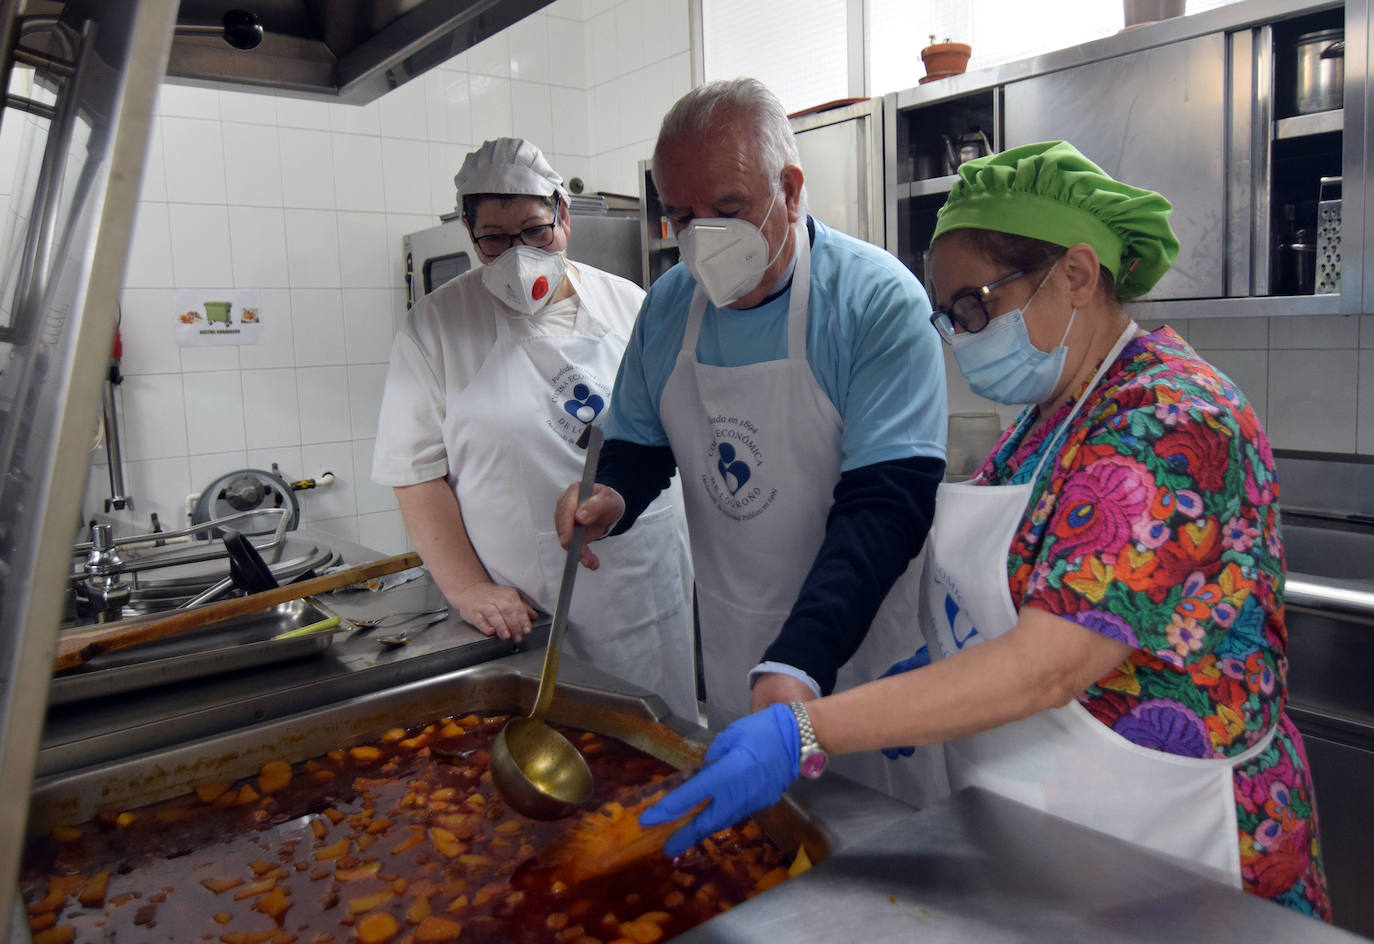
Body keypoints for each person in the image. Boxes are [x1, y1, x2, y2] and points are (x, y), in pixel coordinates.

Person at [639, 141, 1331, 921]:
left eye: (975, 306)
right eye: (951, 313)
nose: (961, 336)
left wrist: (806, 729)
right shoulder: (1047, 420)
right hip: (1062, 828)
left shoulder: (1170, 421)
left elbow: (1050, 666)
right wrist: (920, 668)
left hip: (1180, 840)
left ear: (1075, 274)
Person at [554, 79, 950, 806]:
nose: (702, 236)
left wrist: (801, 662)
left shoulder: (874, 301)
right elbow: (641, 444)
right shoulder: (672, 304)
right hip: (740, 648)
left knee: (879, 860)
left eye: (729, 210)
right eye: (681, 215)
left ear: (790, 191)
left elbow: (887, 506)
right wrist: (609, 494)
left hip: (859, 654)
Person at [372, 137, 697, 720]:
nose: (517, 253)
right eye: (494, 239)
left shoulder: (629, 304)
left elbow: (676, 433)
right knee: (558, 751)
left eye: (534, 231)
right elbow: (414, 474)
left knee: (659, 740)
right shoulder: (435, 329)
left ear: (563, 217)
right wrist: (469, 589)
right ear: (470, 238)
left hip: (647, 583)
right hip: (530, 600)